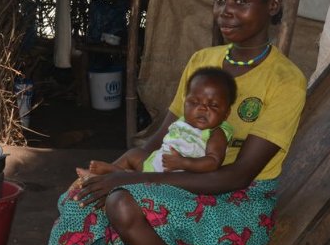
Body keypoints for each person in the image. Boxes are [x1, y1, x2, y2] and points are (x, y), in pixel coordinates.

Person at [40, 0, 308, 245]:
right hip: (177, 182)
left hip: (239, 207)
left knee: (122, 200)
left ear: (273, 5)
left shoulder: (284, 80)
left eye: (240, 2)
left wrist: (129, 183)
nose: (225, 12)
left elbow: (239, 176)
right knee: (85, 194)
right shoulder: (204, 61)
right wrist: (118, 168)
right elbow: (160, 139)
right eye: (219, 0)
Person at [89, 66, 236, 174]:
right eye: (194, 102)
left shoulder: (216, 133)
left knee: (135, 177)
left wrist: (184, 163)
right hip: (156, 165)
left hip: (180, 177)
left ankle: (116, 175)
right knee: (133, 154)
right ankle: (102, 174)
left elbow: (214, 161)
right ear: (185, 102)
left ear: (226, 113)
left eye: (213, 105)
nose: (203, 108)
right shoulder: (183, 121)